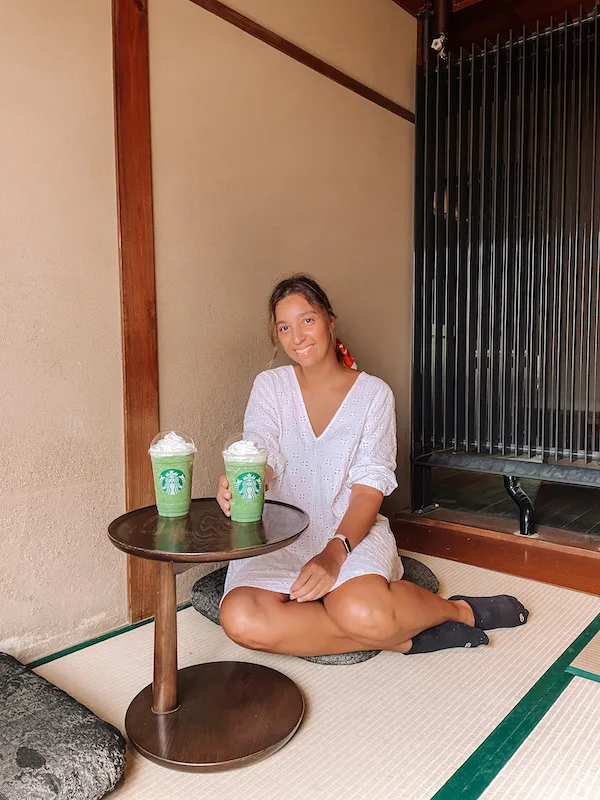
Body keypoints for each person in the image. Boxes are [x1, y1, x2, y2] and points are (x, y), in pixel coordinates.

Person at [217, 274, 528, 656]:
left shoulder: (373, 395)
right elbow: (262, 454)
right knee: (240, 618)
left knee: (360, 609)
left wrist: (334, 554)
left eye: (307, 320)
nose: (296, 336)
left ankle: (459, 610)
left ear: (331, 319)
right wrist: (247, 482)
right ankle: (402, 638)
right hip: (281, 534)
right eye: (284, 326)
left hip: (350, 531)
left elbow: (368, 488)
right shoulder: (270, 386)